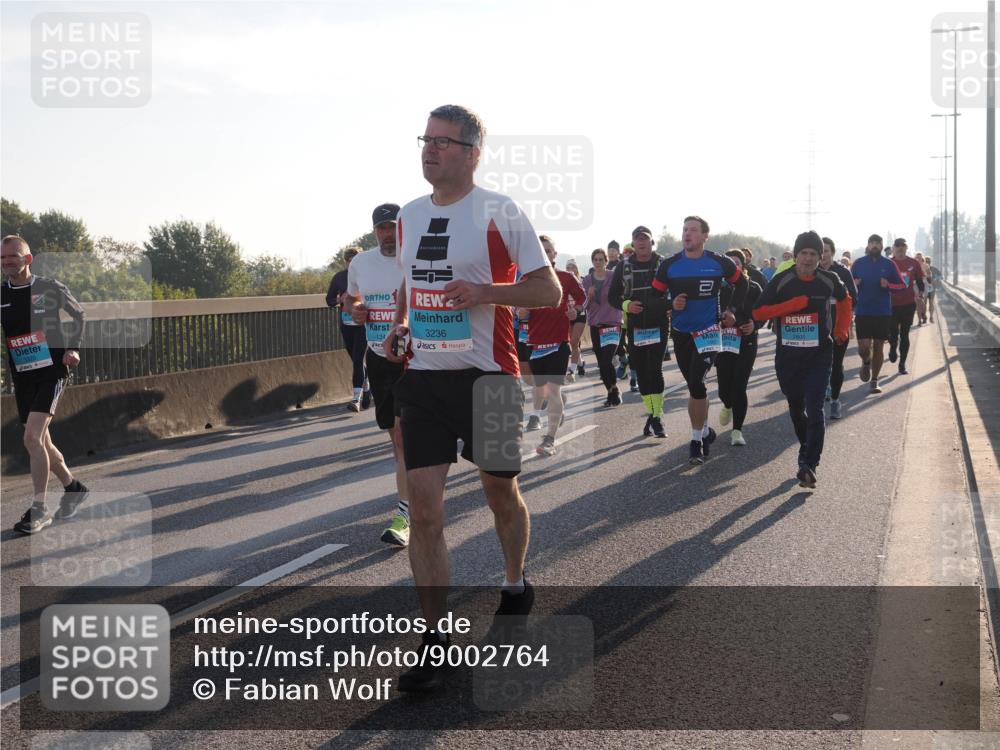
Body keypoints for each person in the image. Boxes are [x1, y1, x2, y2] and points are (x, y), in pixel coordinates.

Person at [383, 104, 561, 692]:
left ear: (471, 152)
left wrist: (483, 291)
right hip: (425, 379)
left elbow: (547, 289)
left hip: (489, 377)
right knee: (427, 510)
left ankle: (515, 581)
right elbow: (412, 277)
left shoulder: (499, 211)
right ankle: (436, 642)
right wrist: (401, 322)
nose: (429, 150)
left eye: (442, 141)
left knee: (499, 494)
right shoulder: (408, 216)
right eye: (425, 140)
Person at [1, 235, 89, 534]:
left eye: (12, 256)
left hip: (52, 371)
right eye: (2, 258)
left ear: (27, 259)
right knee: (43, 442)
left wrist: (73, 348)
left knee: (31, 438)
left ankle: (39, 508)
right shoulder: (2, 293)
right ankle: (73, 486)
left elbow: (78, 314)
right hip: (23, 375)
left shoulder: (49, 288)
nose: (6, 262)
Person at [753, 231, 851, 488]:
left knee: (816, 408)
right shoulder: (782, 280)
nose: (808, 259)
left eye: (813, 254)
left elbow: (845, 301)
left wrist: (841, 329)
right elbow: (759, 312)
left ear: (820, 257)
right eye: (803, 254)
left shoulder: (829, 280)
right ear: (795, 256)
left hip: (819, 354)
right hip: (788, 356)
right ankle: (806, 447)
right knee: (796, 406)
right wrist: (791, 306)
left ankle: (809, 464)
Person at [341, 204, 410, 547]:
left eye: (392, 227)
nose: (387, 233)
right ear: (373, 232)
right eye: (381, 228)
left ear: (402, 228)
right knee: (396, 441)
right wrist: (354, 310)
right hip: (378, 360)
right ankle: (416, 493)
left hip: (414, 359)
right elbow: (350, 299)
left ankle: (406, 513)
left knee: (403, 436)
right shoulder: (361, 263)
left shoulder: (415, 258)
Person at [652, 215, 747, 463]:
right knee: (695, 388)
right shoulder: (669, 265)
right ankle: (706, 431)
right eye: (684, 230)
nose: (687, 234)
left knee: (696, 382)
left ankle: (696, 441)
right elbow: (654, 298)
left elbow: (743, 284)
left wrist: (731, 311)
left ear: (705, 236)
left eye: (693, 230)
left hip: (708, 331)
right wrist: (671, 303)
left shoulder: (719, 262)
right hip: (682, 333)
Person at [522, 237, 585, 455]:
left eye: (549, 251)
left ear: (555, 254)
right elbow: (520, 309)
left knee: (553, 389)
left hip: (559, 343)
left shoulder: (566, 278)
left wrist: (575, 310)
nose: (546, 254)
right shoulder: (527, 278)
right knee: (540, 390)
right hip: (536, 344)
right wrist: (521, 312)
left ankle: (549, 439)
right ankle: (559, 405)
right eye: (542, 251)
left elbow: (581, 297)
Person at [609, 226, 671, 437]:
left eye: (645, 239)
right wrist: (627, 306)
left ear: (652, 242)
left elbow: (676, 292)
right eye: (638, 239)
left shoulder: (664, 264)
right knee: (642, 374)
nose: (642, 242)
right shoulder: (623, 267)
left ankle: (657, 416)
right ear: (633, 243)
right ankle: (653, 413)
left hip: (659, 324)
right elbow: (612, 297)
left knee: (655, 369)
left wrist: (667, 305)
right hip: (635, 326)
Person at [715, 249, 763, 446]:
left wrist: (755, 325)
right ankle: (726, 404)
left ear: (743, 266)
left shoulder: (754, 288)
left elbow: (763, 312)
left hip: (747, 340)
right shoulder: (719, 288)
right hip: (724, 341)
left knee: (739, 386)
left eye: (736, 263)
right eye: (729, 263)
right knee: (724, 389)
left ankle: (737, 431)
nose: (733, 267)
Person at [850, 234, 905, 394]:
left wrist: (888, 285)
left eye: (877, 243)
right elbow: (846, 286)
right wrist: (854, 284)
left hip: (882, 312)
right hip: (863, 311)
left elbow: (902, 285)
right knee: (864, 348)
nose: (874, 246)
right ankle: (866, 362)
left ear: (881, 246)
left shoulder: (889, 264)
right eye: (872, 243)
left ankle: (874, 380)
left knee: (879, 346)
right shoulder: (858, 264)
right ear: (867, 245)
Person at [327, 247, 370, 411]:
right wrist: (340, 298)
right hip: (346, 325)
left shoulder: (367, 275)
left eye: (355, 260)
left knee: (358, 360)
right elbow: (329, 299)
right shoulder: (339, 277)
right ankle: (366, 387)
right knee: (356, 361)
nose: (352, 264)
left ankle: (356, 399)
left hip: (363, 325)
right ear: (345, 262)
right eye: (349, 261)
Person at [819, 237, 858, 420]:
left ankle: (835, 400)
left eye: (826, 250)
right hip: (815, 328)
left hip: (838, 327)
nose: (823, 254)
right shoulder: (810, 272)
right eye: (820, 251)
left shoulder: (842, 272)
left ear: (832, 253)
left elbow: (854, 299)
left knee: (836, 366)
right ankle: (816, 400)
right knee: (815, 366)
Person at [581, 247, 624, 406]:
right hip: (595, 325)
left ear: (606, 261)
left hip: (612, 323)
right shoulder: (586, 280)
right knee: (602, 363)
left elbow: (622, 294)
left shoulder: (613, 277)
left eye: (601, 259)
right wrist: (589, 296)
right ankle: (611, 391)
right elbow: (583, 305)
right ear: (592, 261)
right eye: (595, 260)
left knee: (607, 360)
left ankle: (614, 390)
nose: (598, 262)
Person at [886, 238, 925, 375]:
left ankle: (902, 364)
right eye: (898, 246)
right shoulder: (889, 263)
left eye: (903, 246)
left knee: (904, 334)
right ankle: (892, 347)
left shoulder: (913, 263)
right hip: (891, 304)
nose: (900, 248)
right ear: (893, 248)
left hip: (908, 304)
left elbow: (920, 281)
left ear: (906, 248)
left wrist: (920, 292)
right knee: (892, 333)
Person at [564, 259, 587, 381]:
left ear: (577, 269)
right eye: (568, 267)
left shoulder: (582, 280)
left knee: (574, 341)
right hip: (568, 315)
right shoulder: (564, 281)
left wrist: (579, 308)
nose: (570, 269)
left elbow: (586, 297)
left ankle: (572, 370)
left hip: (580, 314)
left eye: (572, 267)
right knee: (572, 344)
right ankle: (580, 362)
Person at [913, 251, 929, 325]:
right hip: (916, 284)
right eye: (917, 257)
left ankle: (924, 314)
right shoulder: (913, 265)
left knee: (923, 301)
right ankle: (919, 320)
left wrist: (924, 274)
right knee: (918, 303)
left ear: (922, 258)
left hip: (924, 283)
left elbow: (929, 274)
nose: (918, 259)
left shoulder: (925, 265)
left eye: (919, 257)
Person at [924, 256, 938, 323]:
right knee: (924, 303)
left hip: (932, 288)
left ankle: (931, 317)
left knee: (931, 302)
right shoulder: (922, 268)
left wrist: (935, 279)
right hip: (923, 288)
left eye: (928, 261)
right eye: (926, 261)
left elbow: (940, 276)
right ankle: (924, 316)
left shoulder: (934, 269)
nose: (927, 263)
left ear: (930, 262)